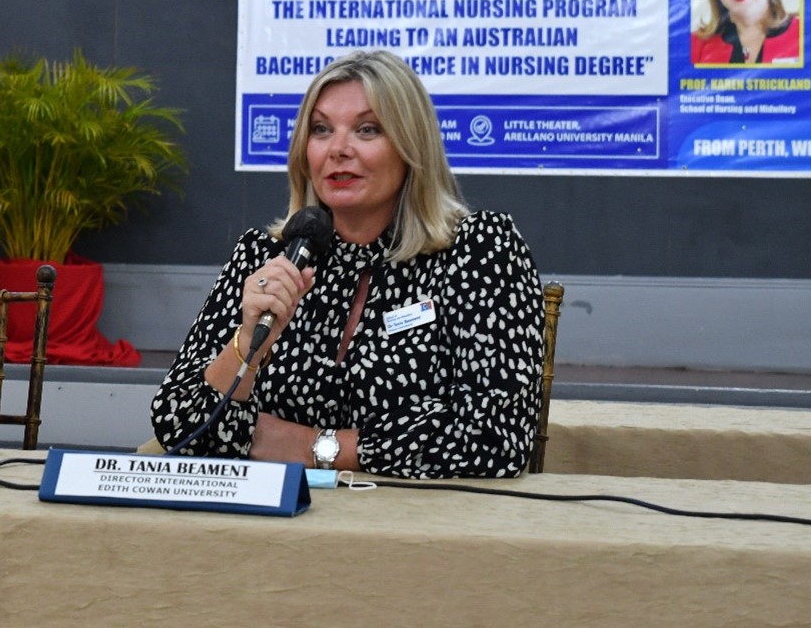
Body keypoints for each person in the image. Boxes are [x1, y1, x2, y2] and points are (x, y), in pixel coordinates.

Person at [150, 50, 544, 478]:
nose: (338, 149)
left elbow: (495, 438)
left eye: (367, 129)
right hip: (274, 528)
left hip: (416, 527)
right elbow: (180, 422)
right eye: (321, 130)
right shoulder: (267, 256)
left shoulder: (479, 250)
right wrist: (249, 340)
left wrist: (307, 445)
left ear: (411, 146)